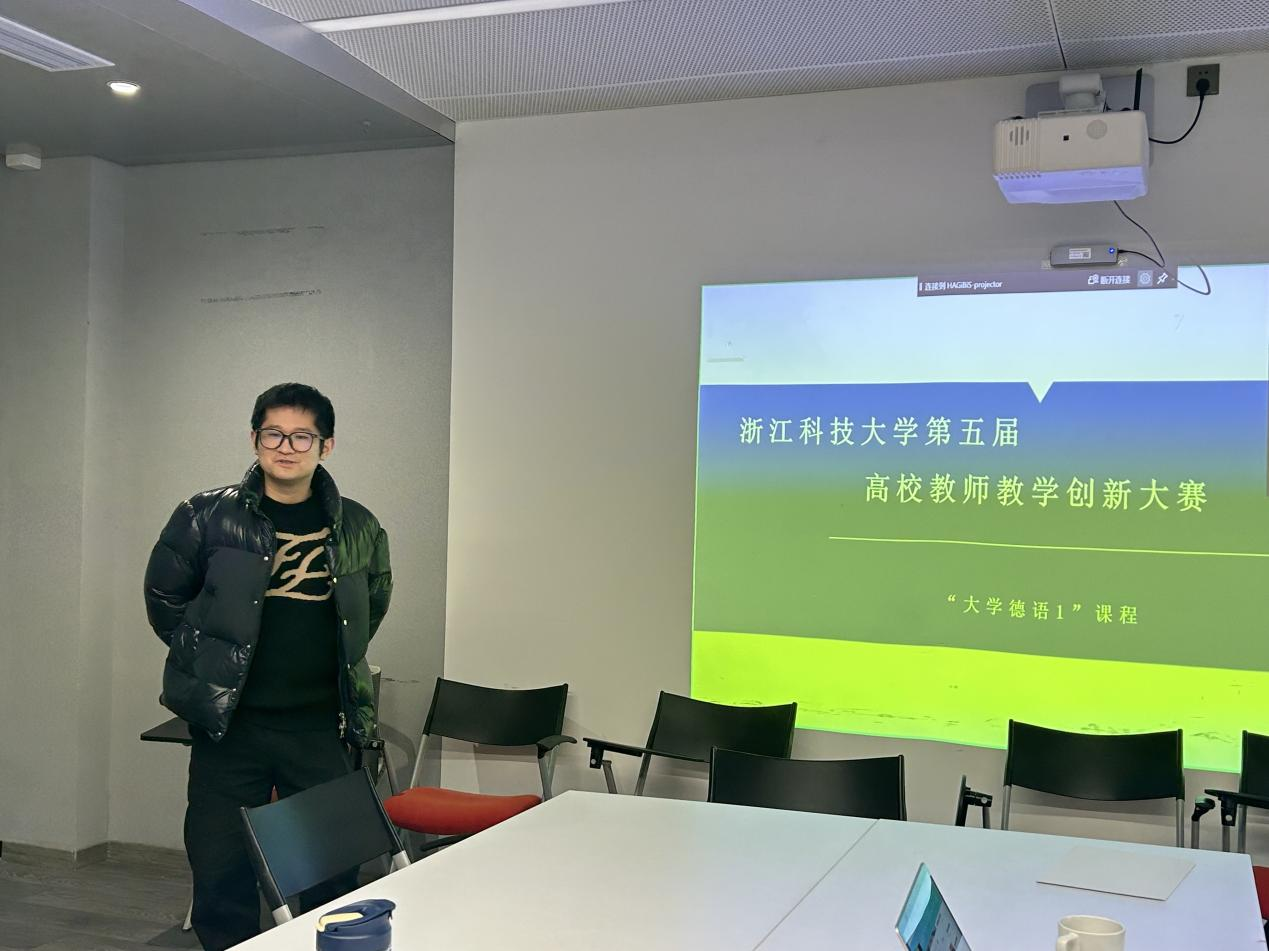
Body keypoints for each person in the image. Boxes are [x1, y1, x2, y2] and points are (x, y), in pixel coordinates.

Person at [143, 383, 392, 950]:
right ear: (255, 439)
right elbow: (165, 598)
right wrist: (207, 661)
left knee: (332, 874)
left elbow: (371, 605)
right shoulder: (205, 515)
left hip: (320, 726)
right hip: (231, 728)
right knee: (221, 868)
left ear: (326, 446)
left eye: (302, 436)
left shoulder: (359, 526)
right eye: (274, 433)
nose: (286, 446)